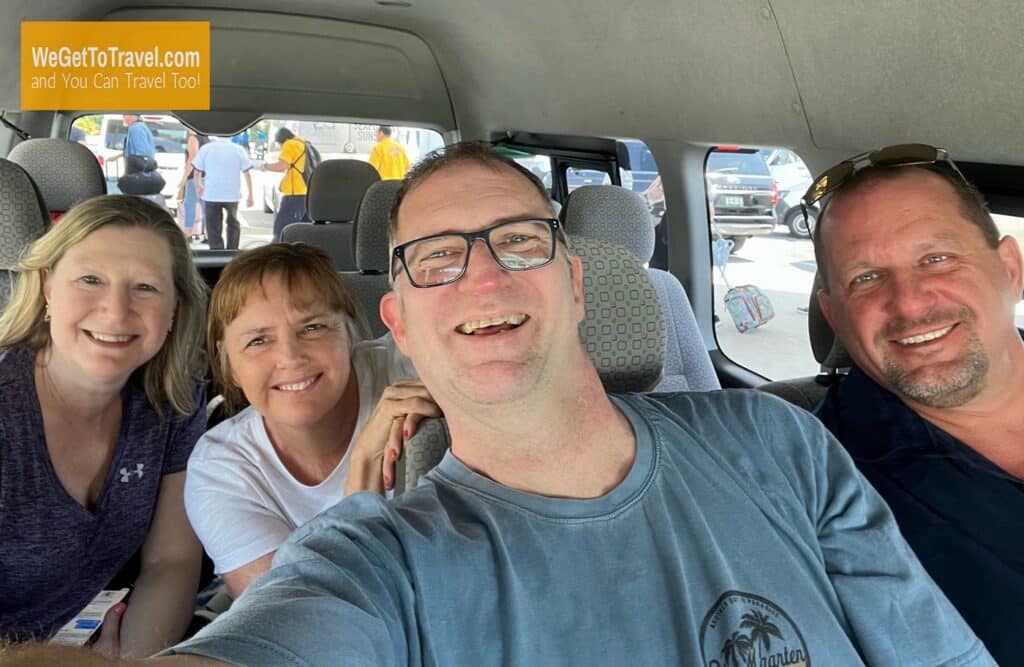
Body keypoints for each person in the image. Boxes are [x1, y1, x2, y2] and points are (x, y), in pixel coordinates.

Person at [4, 145, 994, 666]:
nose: (480, 279)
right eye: (438, 258)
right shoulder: (370, 559)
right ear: (399, 319)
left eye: (517, 241)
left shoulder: (779, 443)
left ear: (574, 281)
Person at [808, 144, 1024, 666]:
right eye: (866, 278)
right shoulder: (817, 481)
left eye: (937, 258)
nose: (909, 301)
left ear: (1010, 269)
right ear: (833, 315)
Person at [0, 195, 209, 658]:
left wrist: (133, 658)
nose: (115, 312)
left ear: (175, 309)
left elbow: (171, 561)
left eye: (146, 288)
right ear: (48, 287)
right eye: (90, 280)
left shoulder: (173, 401)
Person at [185, 243, 433, 598]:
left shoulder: (413, 367)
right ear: (229, 365)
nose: (290, 356)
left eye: (313, 327)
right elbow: (299, 617)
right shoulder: (221, 469)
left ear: (350, 334)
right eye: (258, 340)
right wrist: (364, 468)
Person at [192, 137, 254, 250]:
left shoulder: (206, 148)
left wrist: (198, 186)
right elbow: (247, 173)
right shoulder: (238, 149)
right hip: (232, 194)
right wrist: (250, 194)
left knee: (213, 227)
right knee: (233, 223)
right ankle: (232, 250)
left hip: (212, 194)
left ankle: (217, 252)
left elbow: (197, 171)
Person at [261, 127, 312, 241]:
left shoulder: (290, 144)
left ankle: (276, 254)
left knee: (281, 230)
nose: (280, 147)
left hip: (294, 195)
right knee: (304, 231)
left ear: (282, 140)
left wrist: (266, 166)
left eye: (279, 144)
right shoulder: (304, 144)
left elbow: (282, 166)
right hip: (307, 193)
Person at [175, 131, 209, 243]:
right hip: (207, 176)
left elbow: (193, 160)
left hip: (194, 177)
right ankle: (208, 235)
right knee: (205, 206)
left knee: (189, 205)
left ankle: (188, 233)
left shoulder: (193, 138)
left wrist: (184, 178)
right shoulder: (206, 138)